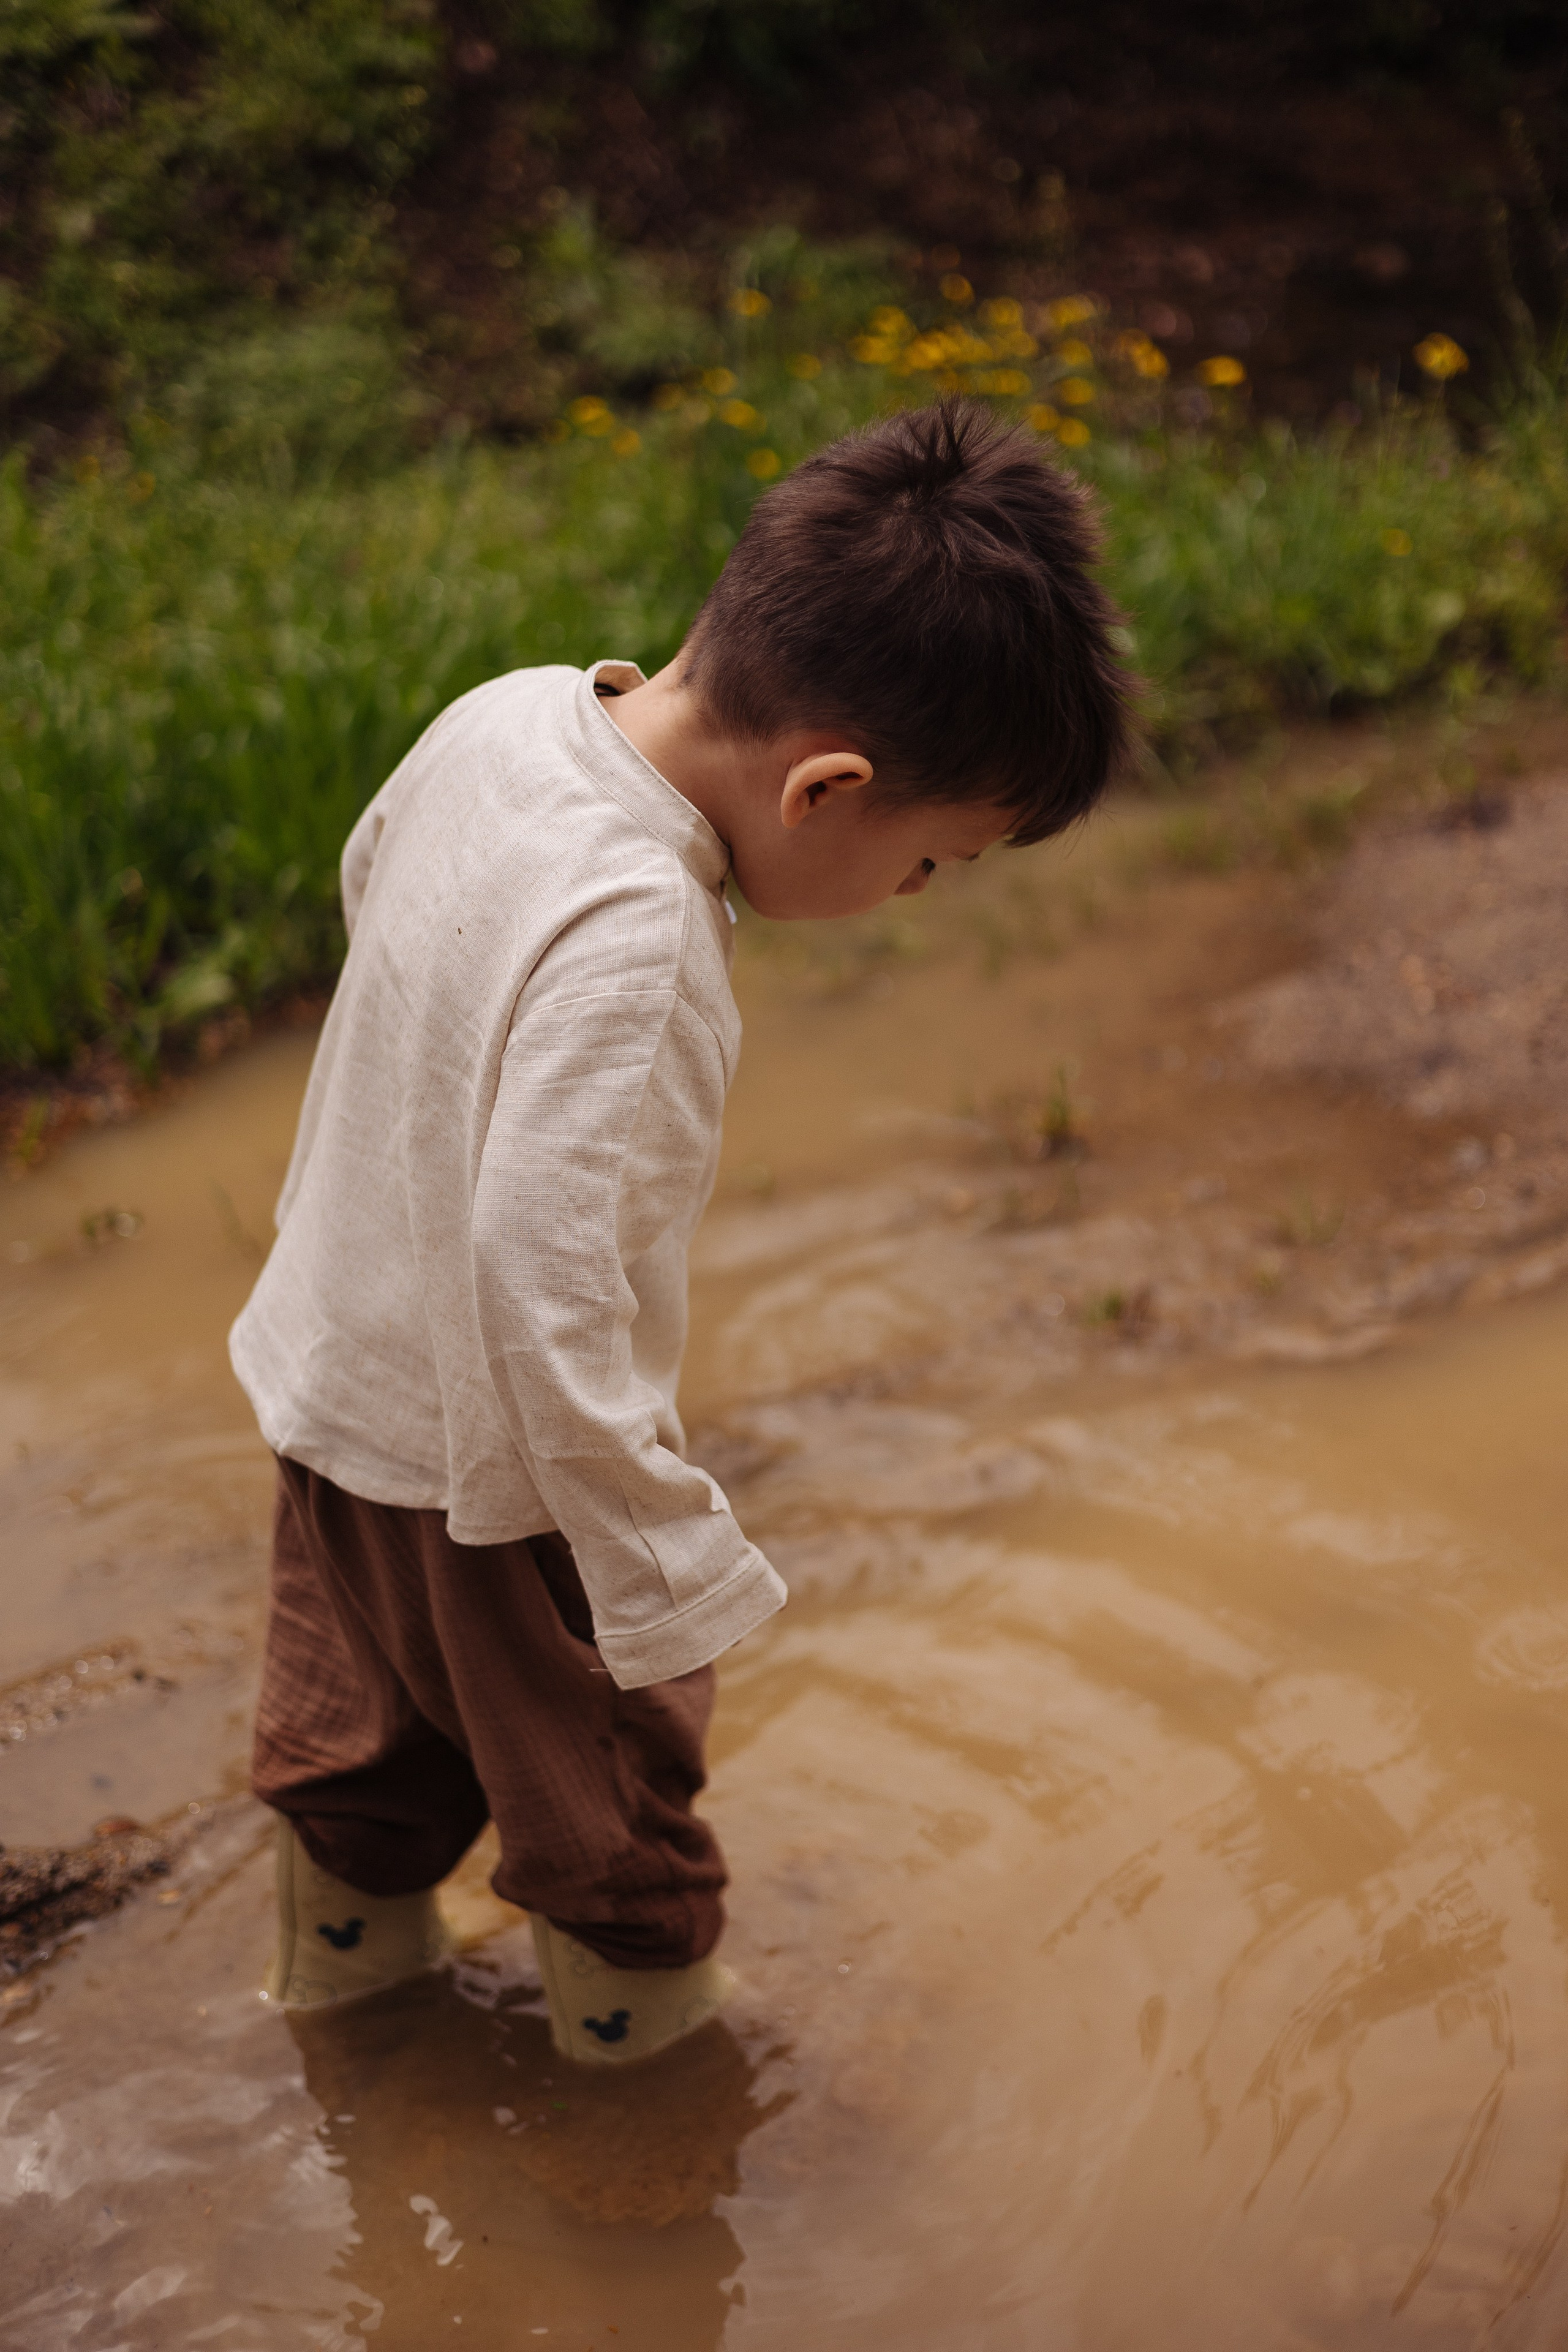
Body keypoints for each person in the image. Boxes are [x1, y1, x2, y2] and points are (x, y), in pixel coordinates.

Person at [230, 397, 1133, 2065]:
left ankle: (348, 2025)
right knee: (615, 1826)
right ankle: (652, 2160)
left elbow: (377, 893)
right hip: (497, 1483)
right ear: (827, 790)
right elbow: (538, 1270)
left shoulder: (509, 716)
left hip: (327, 1386)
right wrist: (654, 1555)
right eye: (931, 862)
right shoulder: (644, 934)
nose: (916, 897)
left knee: (356, 1756)